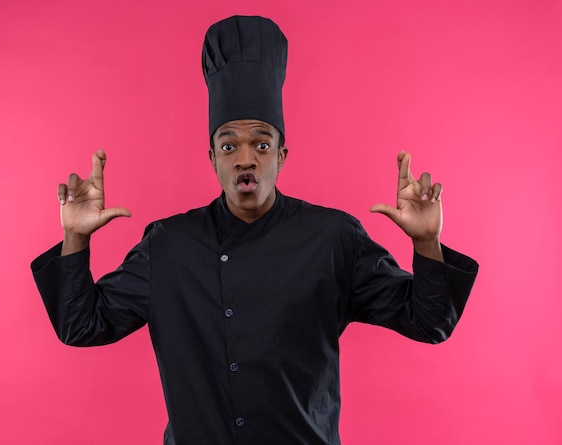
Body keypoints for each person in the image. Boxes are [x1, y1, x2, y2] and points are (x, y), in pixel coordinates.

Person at [31, 15, 478, 445]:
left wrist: (425, 241)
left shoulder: (333, 238)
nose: (246, 158)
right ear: (212, 158)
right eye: (229, 146)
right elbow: (80, 324)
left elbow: (430, 322)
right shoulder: (167, 246)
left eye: (262, 144)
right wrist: (76, 237)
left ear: (282, 154)